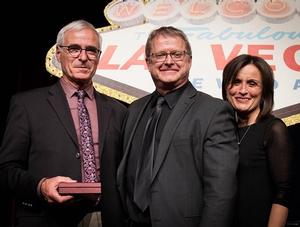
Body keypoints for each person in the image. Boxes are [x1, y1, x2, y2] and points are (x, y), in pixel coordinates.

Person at [0, 19, 127, 227]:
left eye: (91, 50)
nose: (83, 57)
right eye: (74, 49)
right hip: (46, 218)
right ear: (59, 54)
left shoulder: (119, 111)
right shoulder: (26, 105)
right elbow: (6, 170)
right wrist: (41, 186)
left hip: (105, 219)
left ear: (99, 57)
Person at [117, 26, 239, 227]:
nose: (168, 61)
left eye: (176, 54)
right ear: (148, 62)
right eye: (160, 55)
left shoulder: (214, 111)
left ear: (189, 60)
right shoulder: (134, 110)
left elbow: (221, 191)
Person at [222, 54, 294, 227]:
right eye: (236, 82)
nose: (243, 90)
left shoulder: (273, 129)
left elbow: (283, 193)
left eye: (252, 83)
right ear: (226, 87)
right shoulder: (222, 130)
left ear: (264, 90)